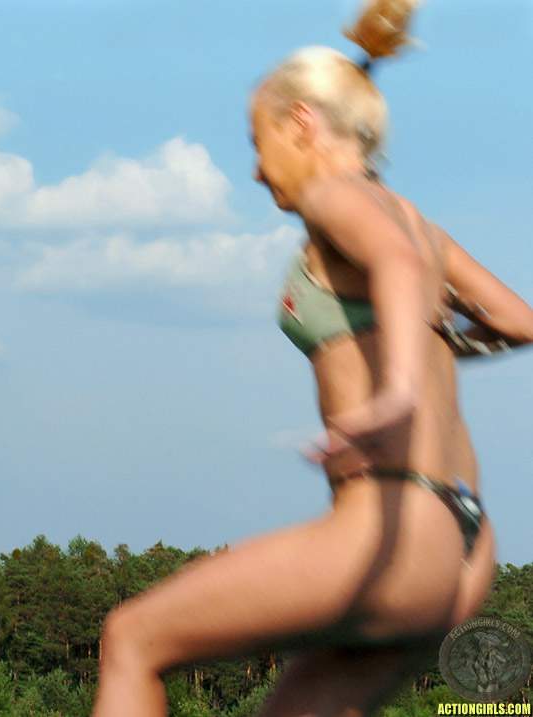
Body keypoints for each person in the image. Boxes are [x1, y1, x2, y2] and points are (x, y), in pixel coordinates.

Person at [93, 1, 533, 714]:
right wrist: (421, 339)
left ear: (300, 122)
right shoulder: (419, 224)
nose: (256, 170)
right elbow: (517, 321)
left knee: (132, 637)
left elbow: (391, 263)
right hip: (463, 546)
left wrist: (397, 390)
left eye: (257, 140)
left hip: (393, 527)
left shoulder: (335, 196)